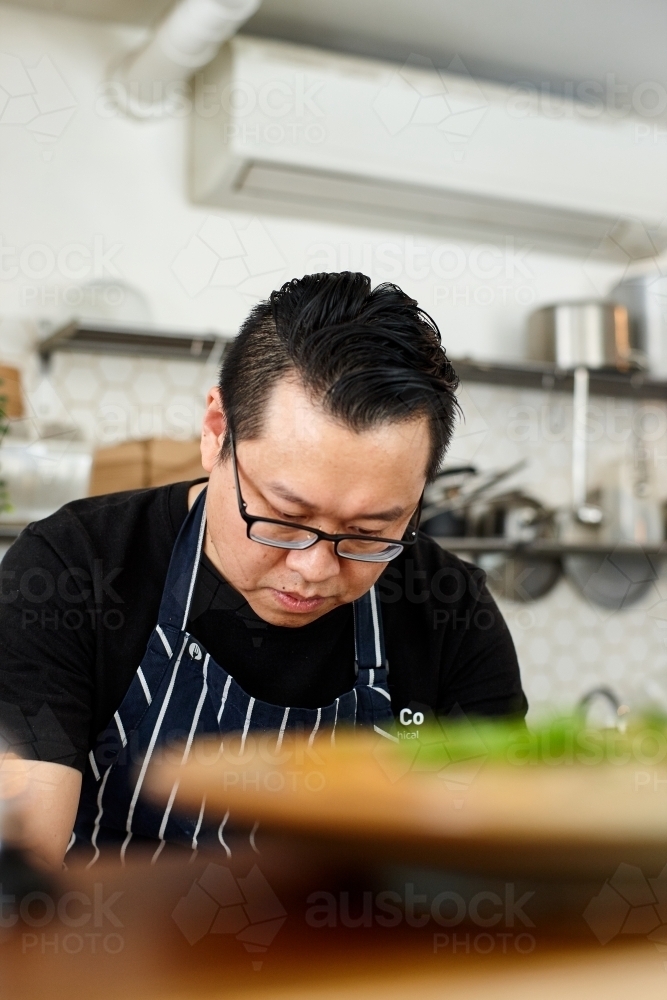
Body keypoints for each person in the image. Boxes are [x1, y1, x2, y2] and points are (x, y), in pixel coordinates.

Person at [0, 272, 526, 869]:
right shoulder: (72, 569)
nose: (314, 567)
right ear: (216, 432)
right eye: (284, 516)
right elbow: (18, 872)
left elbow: (497, 866)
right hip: (119, 956)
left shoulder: (450, 606)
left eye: (370, 533)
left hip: (364, 960)